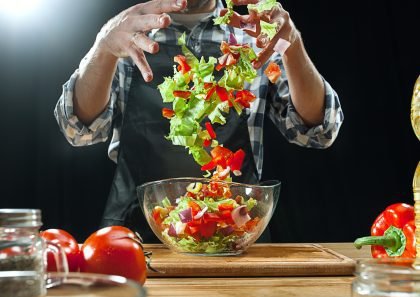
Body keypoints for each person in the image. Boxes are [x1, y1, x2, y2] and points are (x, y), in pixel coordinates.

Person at [54, 0, 344, 242]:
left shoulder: (255, 36)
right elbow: (78, 130)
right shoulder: (128, 33)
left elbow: (320, 130)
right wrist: (103, 46)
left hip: (235, 236)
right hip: (134, 239)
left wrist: (291, 45)